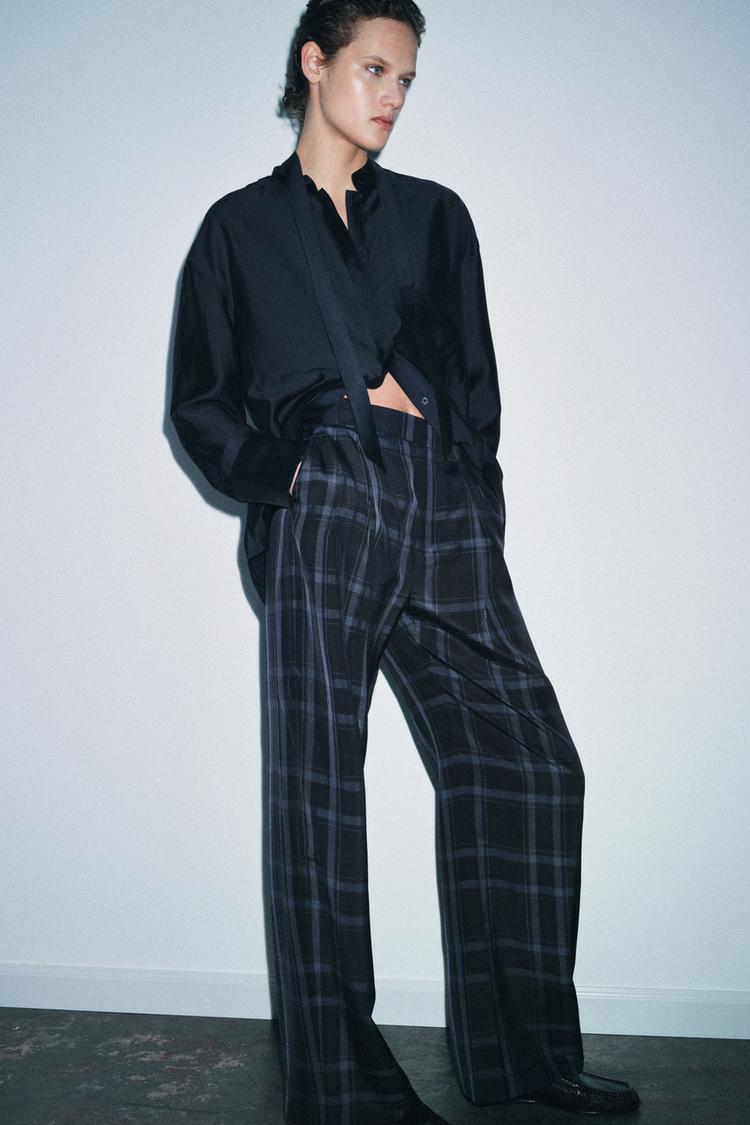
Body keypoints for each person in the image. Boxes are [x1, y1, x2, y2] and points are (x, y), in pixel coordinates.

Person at [170, 2, 641, 1122]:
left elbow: (475, 382)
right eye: (375, 68)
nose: (390, 95)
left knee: (530, 761)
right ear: (314, 61)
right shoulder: (238, 230)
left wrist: (474, 499)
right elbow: (200, 400)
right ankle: (346, 1089)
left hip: (438, 498)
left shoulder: (435, 217)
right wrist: (292, 473)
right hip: (321, 496)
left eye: (406, 80)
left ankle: (526, 1057)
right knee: (319, 795)